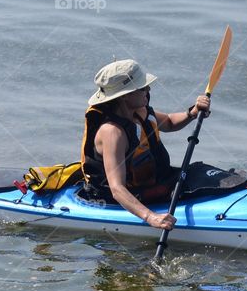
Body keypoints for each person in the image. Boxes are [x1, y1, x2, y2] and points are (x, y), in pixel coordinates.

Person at [80, 59, 211, 231]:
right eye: (142, 87)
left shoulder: (140, 112)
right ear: (125, 95)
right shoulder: (112, 132)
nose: (148, 89)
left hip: (151, 183)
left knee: (203, 174)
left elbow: (170, 122)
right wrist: (151, 217)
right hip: (121, 197)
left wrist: (192, 113)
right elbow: (117, 189)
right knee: (200, 182)